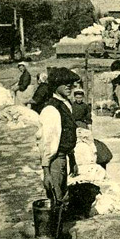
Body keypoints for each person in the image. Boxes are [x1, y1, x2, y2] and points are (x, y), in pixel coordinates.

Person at [38, 67, 81, 207]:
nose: (69, 86)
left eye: (71, 83)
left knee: (63, 197)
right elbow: (47, 142)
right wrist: (47, 173)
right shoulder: (52, 109)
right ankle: (55, 228)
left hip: (63, 157)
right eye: (64, 83)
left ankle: (61, 226)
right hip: (55, 160)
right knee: (57, 199)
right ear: (55, 86)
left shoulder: (66, 104)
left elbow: (67, 135)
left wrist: (72, 159)